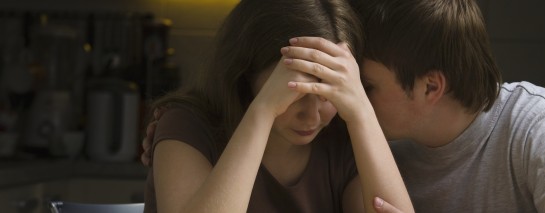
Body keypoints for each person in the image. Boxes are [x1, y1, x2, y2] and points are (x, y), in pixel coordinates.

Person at [280, 0, 545, 212]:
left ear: (431, 87)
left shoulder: (542, 128)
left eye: (366, 86)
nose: (350, 99)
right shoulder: (355, 143)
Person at [142, 0, 414, 212]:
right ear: (246, 72)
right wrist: (261, 111)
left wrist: (361, 113)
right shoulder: (186, 126)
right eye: (292, 93)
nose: (310, 117)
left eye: (327, 93)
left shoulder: (343, 142)